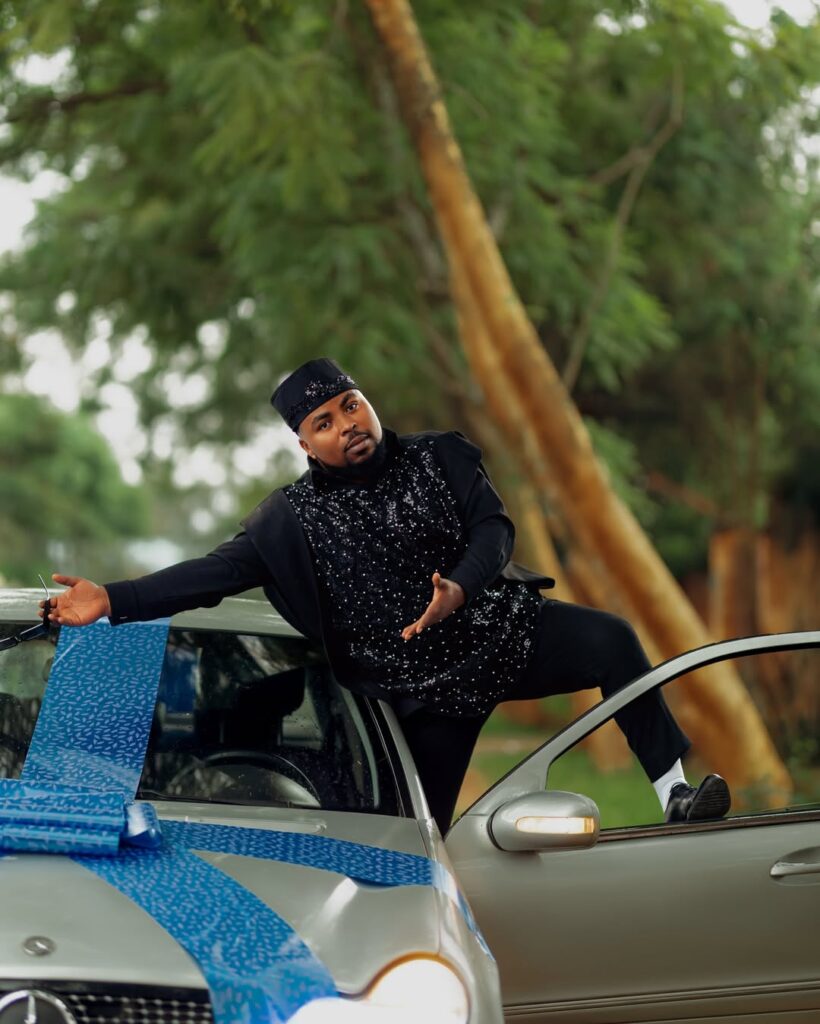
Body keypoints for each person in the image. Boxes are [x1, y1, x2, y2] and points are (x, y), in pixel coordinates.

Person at [42, 357, 731, 834]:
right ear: (306, 445)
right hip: (421, 688)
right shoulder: (288, 522)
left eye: (351, 405)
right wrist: (113, 600)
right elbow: (209, 575)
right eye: (324, 422)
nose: (346, 424)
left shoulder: (440, 457)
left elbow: (494, 530)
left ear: (367, 404)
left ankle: (673, 792)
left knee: (612, 640)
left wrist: (459, 587)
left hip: (503, 632)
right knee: (419, 835)